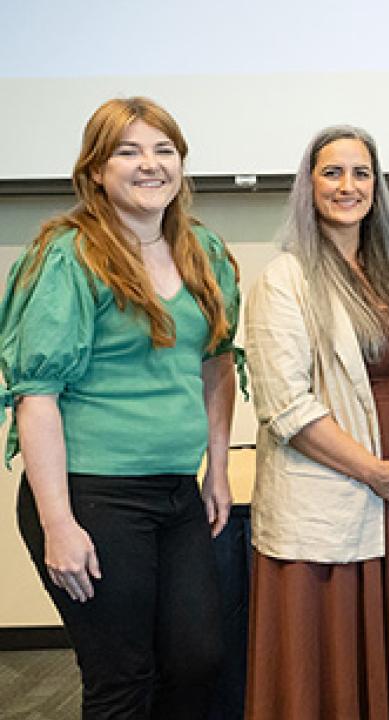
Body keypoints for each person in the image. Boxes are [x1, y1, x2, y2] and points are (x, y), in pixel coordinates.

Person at [0, 97, 240, 718]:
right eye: (128, 152)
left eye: (164, 151)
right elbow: (37, 396)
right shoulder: (69, 255)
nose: (149, 165)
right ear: (96, 170)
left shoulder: (202, 252)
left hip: (175, 494)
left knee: (198, 660)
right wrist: (58, 524)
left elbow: (217, 362)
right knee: (122, 678)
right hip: (91, 495)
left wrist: (216, 469)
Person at [242, 126, 389, 719]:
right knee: (328, 671)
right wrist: (374, 472)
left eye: (361, 173)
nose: (348, 186)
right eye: (332, 172)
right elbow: (286, 406)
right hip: (334, 494)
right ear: (307, 187)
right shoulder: (285, 278)